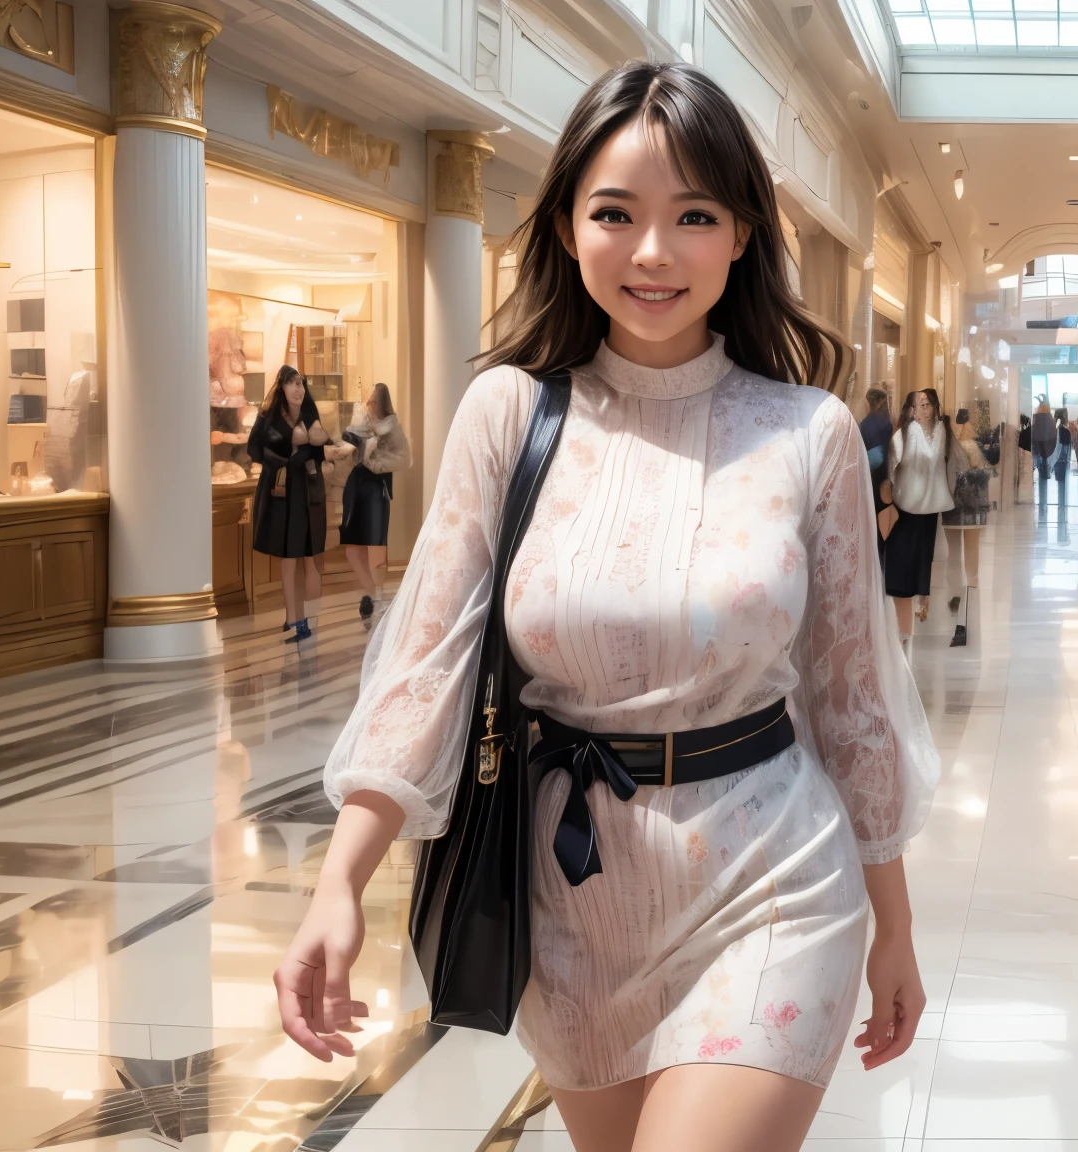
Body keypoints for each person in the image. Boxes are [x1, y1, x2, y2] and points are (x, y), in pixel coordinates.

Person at [274, 62, 939, 1152]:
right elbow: (425, 666)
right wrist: (338, 883)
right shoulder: (506, 413)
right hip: (570, 896)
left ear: (739, 236)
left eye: (693, 216)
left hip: (771, 876)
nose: (651, 253)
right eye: (614, 213)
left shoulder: (805, 431)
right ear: (567, 226)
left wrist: (893, 926)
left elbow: (853, 697)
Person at [248, 365, 328, 642]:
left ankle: (308, 620)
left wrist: (311, 439)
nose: (298, 389)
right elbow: (254, 448)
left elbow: (322, 446)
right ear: (281, 387)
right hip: (282, 493)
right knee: (288, 557)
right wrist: (284, 455)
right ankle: (293, 618)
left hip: (307, 492)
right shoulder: (269, 414)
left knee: (310, 557)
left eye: (302, 384)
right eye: (293, 384)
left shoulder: (310, 412)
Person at [336, 383, 409, 619]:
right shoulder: (359, 424)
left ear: (383, 403)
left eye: (374, 401)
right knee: (352, 547)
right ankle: (370, 593)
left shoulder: (391, 427)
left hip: (376, 490)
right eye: (369, 401)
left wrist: (377, 463)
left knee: (375, 545)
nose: (370, 405)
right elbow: (346, 451)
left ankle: (373, 596)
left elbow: (404, 458)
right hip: (355, 488)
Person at [887, 387, 955, 642]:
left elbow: (940, 461)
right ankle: (908, 608)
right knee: (908, 554)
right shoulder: (908, 433)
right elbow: (892, 462)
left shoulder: (940, 431)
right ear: (911, 409)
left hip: (931, 503)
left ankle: (921, 598)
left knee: (925, 554)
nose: (925, 409)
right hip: (908, 502)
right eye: (920, 405)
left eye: (928, 404)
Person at [942, 408, 990, 646]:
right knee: (972, 551)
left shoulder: (950, 446)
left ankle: (954, 594)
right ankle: (971, 586)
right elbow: (979, 470)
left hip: (951, 505)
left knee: (953, 553)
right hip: (971, 507)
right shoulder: (972, 446)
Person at [859, 386, 892, 501]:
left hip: (870, 474)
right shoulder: (884, 423)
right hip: (881, 473)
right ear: (879, 401)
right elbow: (881, 456)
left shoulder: (864, 423)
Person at [1030, 400, 1057, 506]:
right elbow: (1054, 435)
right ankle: (1045, 499)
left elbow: (1032, 435)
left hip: (1037, 448)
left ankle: (1041, 500)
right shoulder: (1050, 421)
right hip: (1049, 448)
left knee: (1040, 473)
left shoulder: (1035, 420)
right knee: (1045, 471)